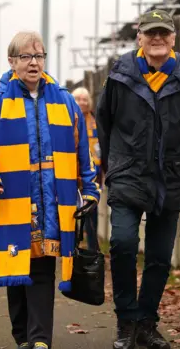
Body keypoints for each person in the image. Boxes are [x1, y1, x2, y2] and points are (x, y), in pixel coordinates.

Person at [0, 31, 100, 349]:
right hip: (10, 203)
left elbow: (83, 152)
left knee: (41, 270)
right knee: (16, 271)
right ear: (12, 62)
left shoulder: (65, 101)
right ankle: (22, 336)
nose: (34, 62)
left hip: (53, 204)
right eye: (26, 56)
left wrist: (90, 190)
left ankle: (39, 341)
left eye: (39, 56)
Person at [96, 9, 180, 349]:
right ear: (139, 38)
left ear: (173, 38)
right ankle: (126, 320)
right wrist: (114, 163)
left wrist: (173, 160)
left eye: (163, 33)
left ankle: (146, 322)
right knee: (123, 243)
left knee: (159, 255)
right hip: (127, 171)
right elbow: (104, 120)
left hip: (169, 175)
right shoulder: (121, 74)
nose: (157, 39)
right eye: (150, 33)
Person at [71, 87, 102, 251]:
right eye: (77, 98)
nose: (81, 102)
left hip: (93, 175)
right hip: (70, 174)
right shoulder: (66, 120)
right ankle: (71, 247)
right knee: (70, 212)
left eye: (85, 99)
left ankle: (93, 250)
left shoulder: (97, 122)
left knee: (91, 213)